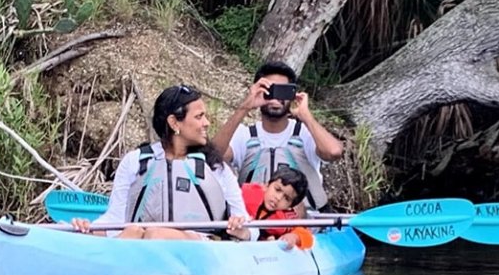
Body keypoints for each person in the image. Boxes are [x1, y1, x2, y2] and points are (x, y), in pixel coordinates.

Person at [72, 85, 254, 241]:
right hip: (142, 244)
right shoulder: (135, 161)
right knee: (134, 231)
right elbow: (116, 218)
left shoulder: (215, 168)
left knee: (156, 234)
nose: (206, 123)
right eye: (199, 117)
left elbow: (251, 229)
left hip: (198, 248)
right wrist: (90, 229)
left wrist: (242, 229)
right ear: (174, 123)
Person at [212, 61, 344, 210]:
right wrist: (245, 107)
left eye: (283, 91)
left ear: (292, 94)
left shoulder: (305, 133)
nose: (276, 99)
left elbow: (334, 152)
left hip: (307, 224)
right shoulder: (245, 135)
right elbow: (212, 156)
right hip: (256, 224)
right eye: (269, 91)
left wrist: (306, 116)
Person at [241, 164, 309, 239]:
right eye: (277, 189)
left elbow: (307, 236)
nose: (278, 198)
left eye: (286, 198)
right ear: (266, 185)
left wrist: (295, 238)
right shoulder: (242, 193)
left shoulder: (288, 220)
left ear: (290, 207)